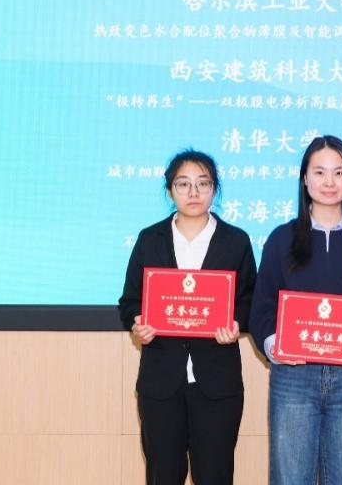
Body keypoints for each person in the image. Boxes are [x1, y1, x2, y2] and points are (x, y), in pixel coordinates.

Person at [249, 135, 342, 485]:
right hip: (294, 376)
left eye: (339, 172)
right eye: (319, 172)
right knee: (290, 478)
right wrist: (275, 347)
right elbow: (262, 306)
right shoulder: (282, 239)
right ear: (305, 179)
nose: (329, 182)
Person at [118, 149, 257, 485]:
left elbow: (250, 301)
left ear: (214, 189)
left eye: (203, 183)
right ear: (170, 191)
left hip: (217, 383)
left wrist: (237, 324)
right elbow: (129, 301)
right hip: (161, 382)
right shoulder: (150, 239)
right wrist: (138, 322)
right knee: (163, 475)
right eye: (183, 184)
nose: (193, 192)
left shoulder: (235, 241)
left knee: (215, 475)